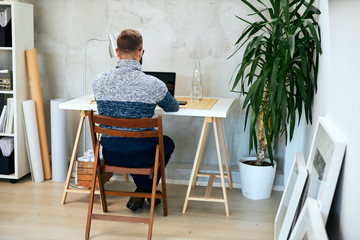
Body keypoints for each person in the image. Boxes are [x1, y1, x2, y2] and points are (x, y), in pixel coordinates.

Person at [93, 29, 179, 211]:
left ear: (117, 52)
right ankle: (146, 190)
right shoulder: (154, 84)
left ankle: (142, 190)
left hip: (110, 153)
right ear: (141, 52)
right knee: (165, 143)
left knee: (132, 142)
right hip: (141, 154)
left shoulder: (98, 82)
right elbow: (173, 107)